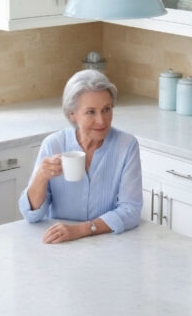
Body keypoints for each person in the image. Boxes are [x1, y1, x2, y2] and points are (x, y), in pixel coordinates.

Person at [19, 70, 142, 244]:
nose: (101, 120)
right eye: (91, 112)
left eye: (106, 109)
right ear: (72, 114)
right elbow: (31, 215)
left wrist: (82, 230)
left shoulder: (126, 145)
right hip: (59, 244)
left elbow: (131, 210)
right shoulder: (53, 144)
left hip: (108, 242)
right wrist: (41, 176)